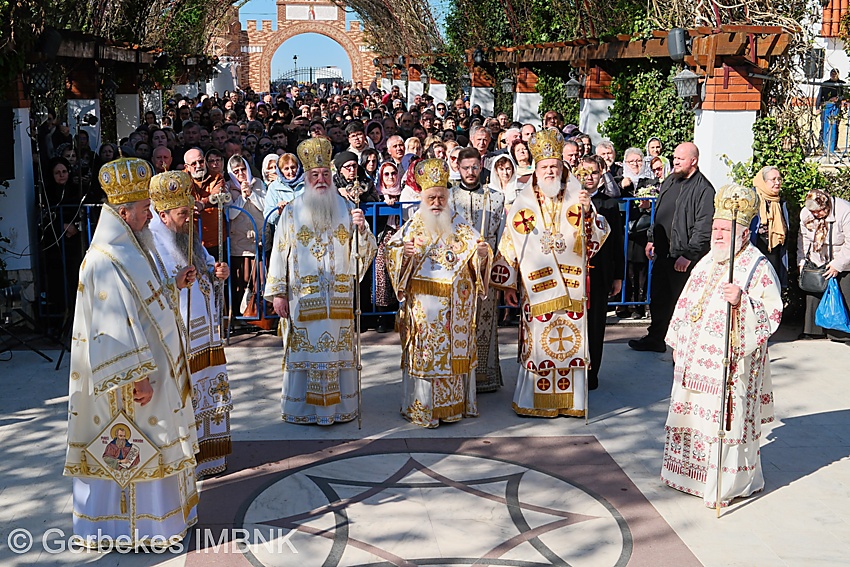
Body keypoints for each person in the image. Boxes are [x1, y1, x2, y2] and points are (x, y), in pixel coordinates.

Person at [64, 157, 199, 548]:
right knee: (132, 449)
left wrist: (173, 284)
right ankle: (128, 529)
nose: (147, 216)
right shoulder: (105, 260)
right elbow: (110, 327)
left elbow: (145, 302)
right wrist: (136, 376)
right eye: (142, 210)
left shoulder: (133, 248)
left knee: (155, 445)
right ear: (123, 213)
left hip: (153, 372)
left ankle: (159, 523)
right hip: (130, 383)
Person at [661, 183, 782, 508]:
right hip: (693, 366)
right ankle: (690, 477)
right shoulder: (707, 261)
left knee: (726, 425)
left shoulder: (757, 266)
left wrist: (742, 302)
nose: (717, 234)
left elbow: (772, 313)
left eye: (724, 229)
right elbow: (686, 302)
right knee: (694, 421)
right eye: (715, 228)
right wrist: (677, 342)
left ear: (742, 234)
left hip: (730, 367)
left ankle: (727, 486)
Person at [493, 129, 610, 418]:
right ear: (537, 168)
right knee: (539, 347)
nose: (550, 171)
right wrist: (508, 283)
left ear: (562, 168)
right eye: (545, 167)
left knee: (570, 346)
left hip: (571, 288)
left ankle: (571, 401)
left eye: (554, 167)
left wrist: (588, 214)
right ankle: (535, 401)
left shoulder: (577, 196)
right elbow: (510, 241)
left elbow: (596, 237)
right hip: (537, 288)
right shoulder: (524, 201)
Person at [263, 137, 377, 425]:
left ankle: (339, 410)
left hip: (338, 300)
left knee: (337, 352)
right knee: (304, 352)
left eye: (325, 173)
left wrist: (362, 230)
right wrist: (278, 293)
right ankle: (303, 410)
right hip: (303, 300)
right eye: (315, 175)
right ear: (306, 176)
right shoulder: (291, 210)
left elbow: (364, 251)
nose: (321, 179)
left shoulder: (347, 207)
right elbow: (279, 251)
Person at [386, 159, 492, 427]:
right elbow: (392, 251)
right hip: (425, 309)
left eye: (441, 197)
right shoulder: (413, 225)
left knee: (453, 358)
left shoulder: (459, 224)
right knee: (427, 358)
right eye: (431, 197)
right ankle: (423, 409)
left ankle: (455, 407)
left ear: (448, 197)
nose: (436, 202)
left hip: (456, 308)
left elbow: (480, 251)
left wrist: (482, 255)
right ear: (422, 197)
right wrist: (404, 254)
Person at [148, 171, 233, 478]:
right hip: (180, 344)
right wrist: (175, 284)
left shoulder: (187, 236)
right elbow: (151, 292)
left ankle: (211, 459)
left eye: (189, 212)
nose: (189, 219)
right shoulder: (151, 245)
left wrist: (217, 271)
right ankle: (186, 465)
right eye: (183, 214)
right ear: (163, 215)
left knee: (208, 395)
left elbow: (205, 264)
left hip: (205, 340)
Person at [629, 142, 715, 353]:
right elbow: (659, 211)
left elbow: (704, 226)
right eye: (675, 157)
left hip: (683, 258)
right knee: (659, 299)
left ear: (693, 161)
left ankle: (685, 348)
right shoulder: (671, 180)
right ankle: (656, 338)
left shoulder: (703, 189)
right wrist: (652, 239)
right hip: (663, 253)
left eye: (681, 158)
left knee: (683, 303)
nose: (675, 161)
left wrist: (688, 254)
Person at [451, 147, 506, 392]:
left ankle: (484, 375)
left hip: (486, 269)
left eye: (475, 167)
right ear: (458, 168)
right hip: (458, 271)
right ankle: (458, 375)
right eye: (466, 168)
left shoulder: (495, 197)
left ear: (480, 165)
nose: (471, 172)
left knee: (485, 321)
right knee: (459, 322)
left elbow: (503, 236)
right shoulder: (449, 197)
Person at [581, 156, 623, 390]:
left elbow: (617, 241)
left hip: (599, 273)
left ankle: (592, 372)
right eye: (584, 173)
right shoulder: (569, 203)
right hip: (574, 275)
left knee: (596, 325)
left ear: (601, 174)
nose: (589, 177)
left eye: (593, 173)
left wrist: (618, 276)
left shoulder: (609, 204)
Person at [797, 189, 850, 341]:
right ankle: (813, 331)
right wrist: (801, 261)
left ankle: (841, 333)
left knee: (844, 294)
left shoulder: (845, 211)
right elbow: (804, 240)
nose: (815, 215)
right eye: (812, 212)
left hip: (843, 258)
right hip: (817, 259)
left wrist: (837, 265)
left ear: (826, 206)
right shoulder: (806, 213)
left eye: (819, 212)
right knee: (814, 290)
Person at [750, 166, 789, 289]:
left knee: (772, 288)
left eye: (779, 179)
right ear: (763, 181)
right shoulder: (751, 199)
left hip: (774, 253)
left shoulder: (779, 203)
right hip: (754, 251)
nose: (777, 182)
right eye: (773, 179)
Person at [184, 148, 226, 259]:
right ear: (186, 166)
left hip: (214, 238)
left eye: (201, 161)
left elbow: (217, 195)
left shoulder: (216, 177)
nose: (198, 166)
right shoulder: (181, 179)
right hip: (190, 236)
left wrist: (202, 204)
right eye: (193, 163)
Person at [817, 69, 844, 153]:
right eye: (832, 74)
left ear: (838, 74)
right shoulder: (825, 84)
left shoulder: (842, 84)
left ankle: (834, 146)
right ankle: (821, 144)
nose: (833, 75)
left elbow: (844, 95)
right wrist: (817, 107)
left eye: (835, 74)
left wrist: (838, 99)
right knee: (823, 126)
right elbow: (819, 96)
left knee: (835, 126)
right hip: (826, 107)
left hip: (836, 108)